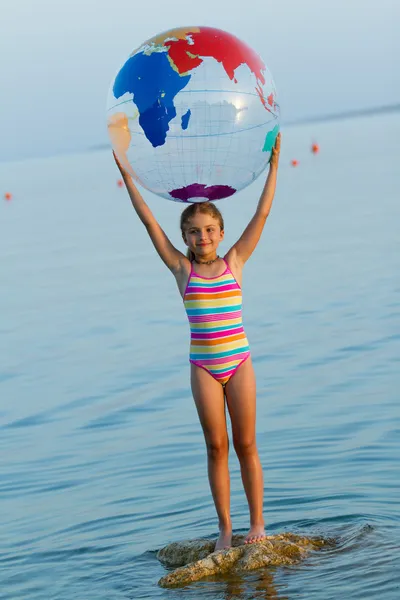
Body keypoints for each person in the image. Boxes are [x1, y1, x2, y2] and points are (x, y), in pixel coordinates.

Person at [113, 133, 281, 550]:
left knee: (245, 443)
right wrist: (128, 177)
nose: (201, 238)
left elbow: (261, 215)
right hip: (204, 369)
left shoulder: (235, 262)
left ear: (221, 232)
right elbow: (149, 222)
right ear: (185, 238)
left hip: (238, 363)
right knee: (216, 446)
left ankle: (257, 523)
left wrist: (274, 166)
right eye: (192, 232)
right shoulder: (180, 270)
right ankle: (226, 529)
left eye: (208, 230)